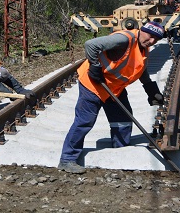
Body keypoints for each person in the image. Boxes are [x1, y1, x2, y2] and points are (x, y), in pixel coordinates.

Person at [58, 22, 166, 174]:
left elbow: (140, 68)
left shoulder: (144, 47)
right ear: (142, 30)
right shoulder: (124, 40)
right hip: (93, 85)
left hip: (114, 89)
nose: (152, 41)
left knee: (123, 120)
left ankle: (120, 151)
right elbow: (90, 44)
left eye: (157, 39)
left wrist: (150, 89)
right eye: (151, 36)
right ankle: (67, 159)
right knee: (84, 121)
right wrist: (94, 66)